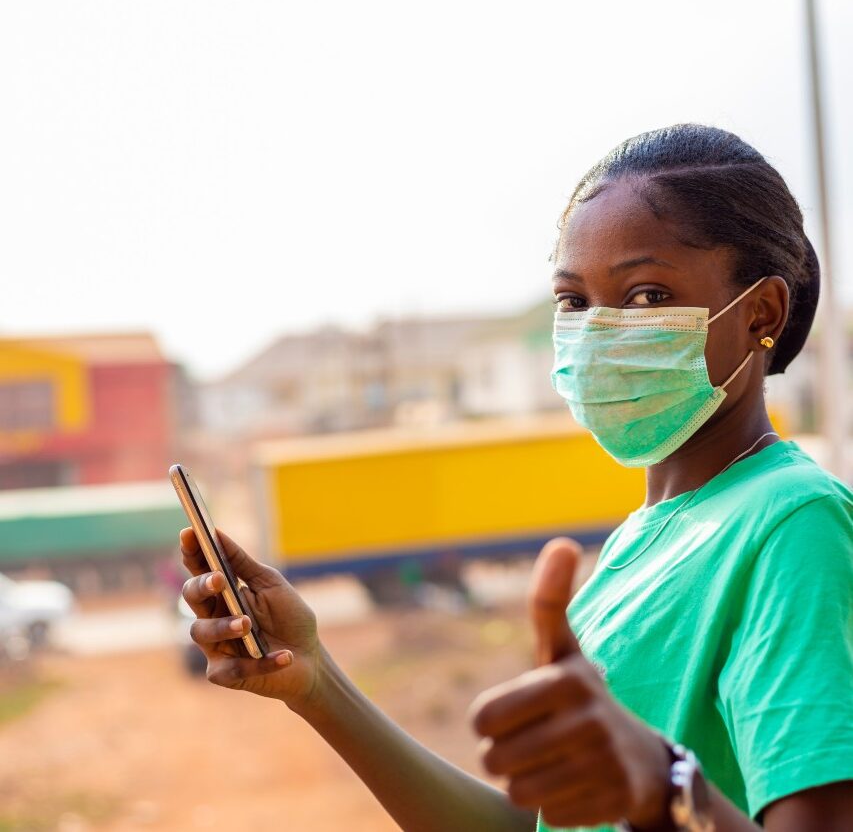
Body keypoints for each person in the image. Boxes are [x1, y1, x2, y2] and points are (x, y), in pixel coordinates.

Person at [179, 124, 853, 831]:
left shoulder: (792, 522)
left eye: (647, 295)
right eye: (573, 301)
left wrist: (665, 787)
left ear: (760, 313)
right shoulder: (642, 540)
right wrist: (314, 681)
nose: (598, 333)